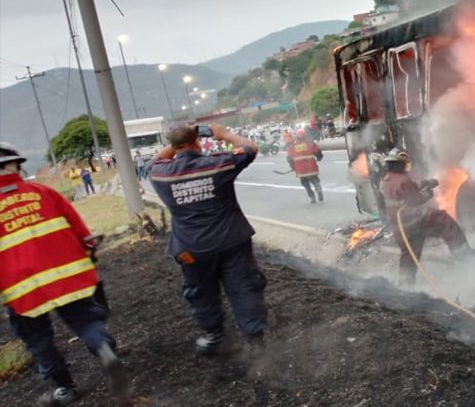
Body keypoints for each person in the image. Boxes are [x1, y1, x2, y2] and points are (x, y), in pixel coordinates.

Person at [0, 143, 129, 406]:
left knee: (38, 339)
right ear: (15, 164)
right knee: (85, 320)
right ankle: (103, 348)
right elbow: (83, 232)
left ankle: (65, 387)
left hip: (23, 290)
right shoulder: (44, 192)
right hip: (67, 278)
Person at [148, 124, 267, 356]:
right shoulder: (218, 163)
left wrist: (176, 142)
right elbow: (250, 148)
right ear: (198, 142)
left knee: (201, 291)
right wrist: (222, 133)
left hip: (190, 249)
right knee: (244, 286)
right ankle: (256, 341)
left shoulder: (160, 173)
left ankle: (215, 336)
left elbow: (154, 160)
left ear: (173, 147)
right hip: (232, 240)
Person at [379, 148, 472, 283]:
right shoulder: (403, 180)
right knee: (445, 222)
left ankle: (405, 286)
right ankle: (464, 254)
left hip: (400, 228)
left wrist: (427, 182)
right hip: (415, 220)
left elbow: (405, 189)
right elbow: (415, 200)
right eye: (405, 164)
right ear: (400, 164)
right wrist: (429, 193)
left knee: (409, 256)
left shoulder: (386, 179)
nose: (406, 166)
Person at [286, 129, 324, 204]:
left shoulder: (293, 145)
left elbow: (289, 158)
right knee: (315, 179)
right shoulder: (310, 143)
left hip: (300, 169)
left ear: (297, 136)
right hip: (311, 166)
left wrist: (292, 166)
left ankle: (312, 197)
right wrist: (319, 157)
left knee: (305, 183)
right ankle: (318, 187)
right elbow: (318, 151)